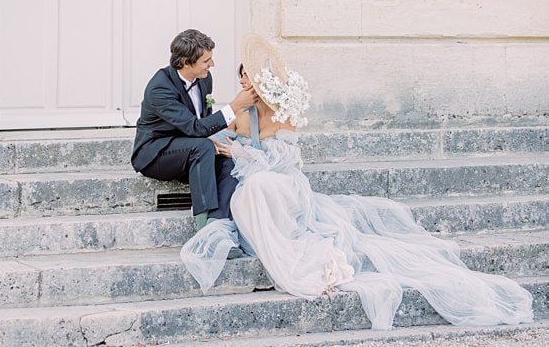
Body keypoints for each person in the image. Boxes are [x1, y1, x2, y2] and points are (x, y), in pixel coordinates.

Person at [180, 39, 534, 330]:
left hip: (284, 180)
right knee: (253, 192)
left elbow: (287, 161)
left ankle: (294, 248)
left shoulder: (284, 113)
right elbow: (229, 136)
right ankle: (277, 245)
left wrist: (241, 155)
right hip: (256, 180)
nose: (242, 84)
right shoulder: (241, 111)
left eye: (247, 78)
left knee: (266, 187)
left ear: (261, 81)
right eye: (240, 78)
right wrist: (224, 144)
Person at [131, 29, 259, 231]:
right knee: (203, 147)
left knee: (227, 157)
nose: (212, 64)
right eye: (206, 60)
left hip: (190, 146)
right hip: (156, 153)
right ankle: (203, 227)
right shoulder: (160, 88)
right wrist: (234, 106)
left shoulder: (205, 79)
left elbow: (203, 122)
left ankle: (218, 222)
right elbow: (195, 127)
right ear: (186, 62)